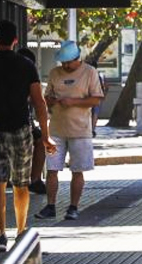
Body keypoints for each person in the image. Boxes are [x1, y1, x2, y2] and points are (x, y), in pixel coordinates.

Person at [0, 21, 55, 253]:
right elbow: (39, 102)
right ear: (16, 40)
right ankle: (20, 231)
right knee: (21, 184)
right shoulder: (26, 65)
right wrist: (45, 137)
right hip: (20, 130)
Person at [34, 40, 104, 221]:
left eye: (68, 62)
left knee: (77, 170)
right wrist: (50, 100)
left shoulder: (90, 72)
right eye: (62, 62)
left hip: (80, 130)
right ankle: (50, 206)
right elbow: (46, 96)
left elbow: (96, 99)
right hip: (56, 128)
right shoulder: (54, 73)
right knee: (51, 169)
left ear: (77, 58)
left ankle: (73, 207)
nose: (65, 65)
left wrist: (73, 102)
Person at [17, 48, 47, 195]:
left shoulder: (31, 78)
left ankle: (35, 179)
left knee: (40, 140)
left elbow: (38, 103)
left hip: (26, 122)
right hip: (12, 124)